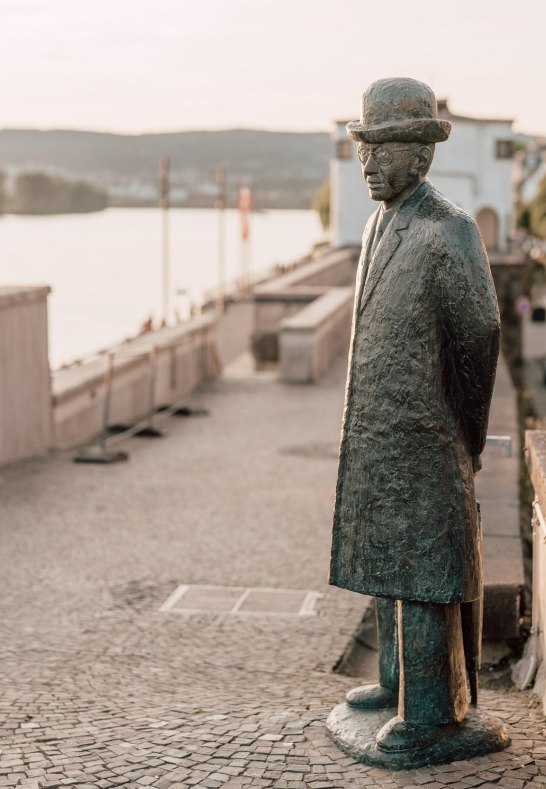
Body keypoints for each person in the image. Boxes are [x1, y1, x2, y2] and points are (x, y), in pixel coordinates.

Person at [329, 78, 500, 754]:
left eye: (378, 149)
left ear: (419, 156)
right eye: (362, 148)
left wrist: (466, 429)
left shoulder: (446, 228)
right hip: (379, 432)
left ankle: (430, 715)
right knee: (387, 552)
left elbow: (481, 333)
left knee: (425, 568)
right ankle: (395, 677)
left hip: (428, 436)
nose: (365, 162)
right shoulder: (381, 222)